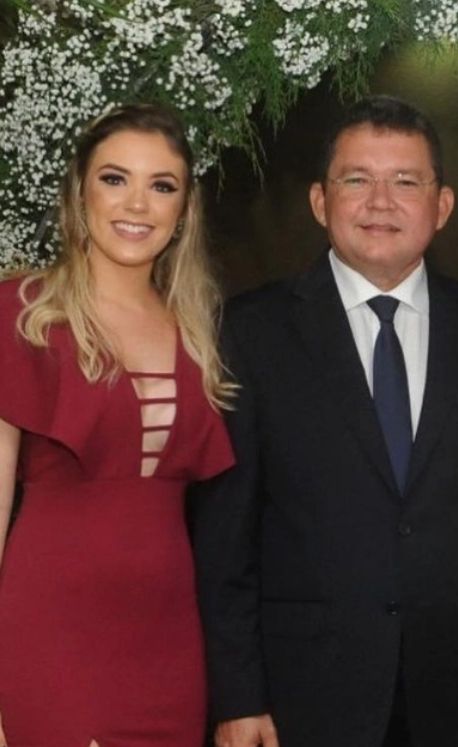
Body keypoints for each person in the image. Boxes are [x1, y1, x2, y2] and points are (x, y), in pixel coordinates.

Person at [192, 94, 458, 747]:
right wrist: (238, 696)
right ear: (319, 201)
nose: (380, 202)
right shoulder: (251, 331)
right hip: (306, 694)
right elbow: (224, 534)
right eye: (356, 180)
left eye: (405, 182)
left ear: (442, 205)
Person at [0, 104, 235, 747]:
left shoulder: (199, 332)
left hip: (170, 646)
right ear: (80, 193)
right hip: (51, 634)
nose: (137, 204)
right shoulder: (20, 315)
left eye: (162, 185)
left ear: (184, 210)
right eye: (114, 178)